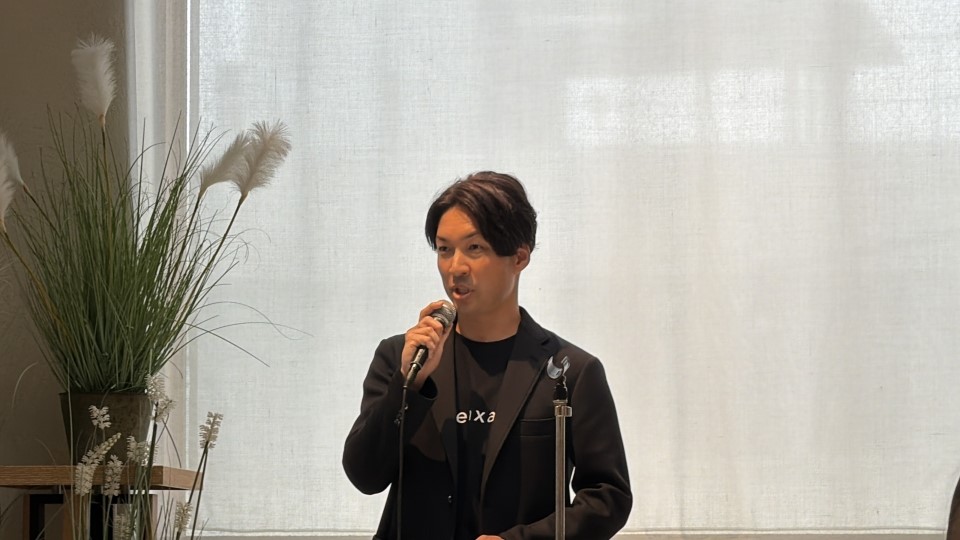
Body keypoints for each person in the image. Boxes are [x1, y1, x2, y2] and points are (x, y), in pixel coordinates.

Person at [343, 171, 632, 540]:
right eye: (444, 249)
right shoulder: (403, 357)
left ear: (519, 256)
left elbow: (608, 498)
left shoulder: (570, 371)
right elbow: (364, 476)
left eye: (475, 248)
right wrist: (409, 386)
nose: (455, 267)